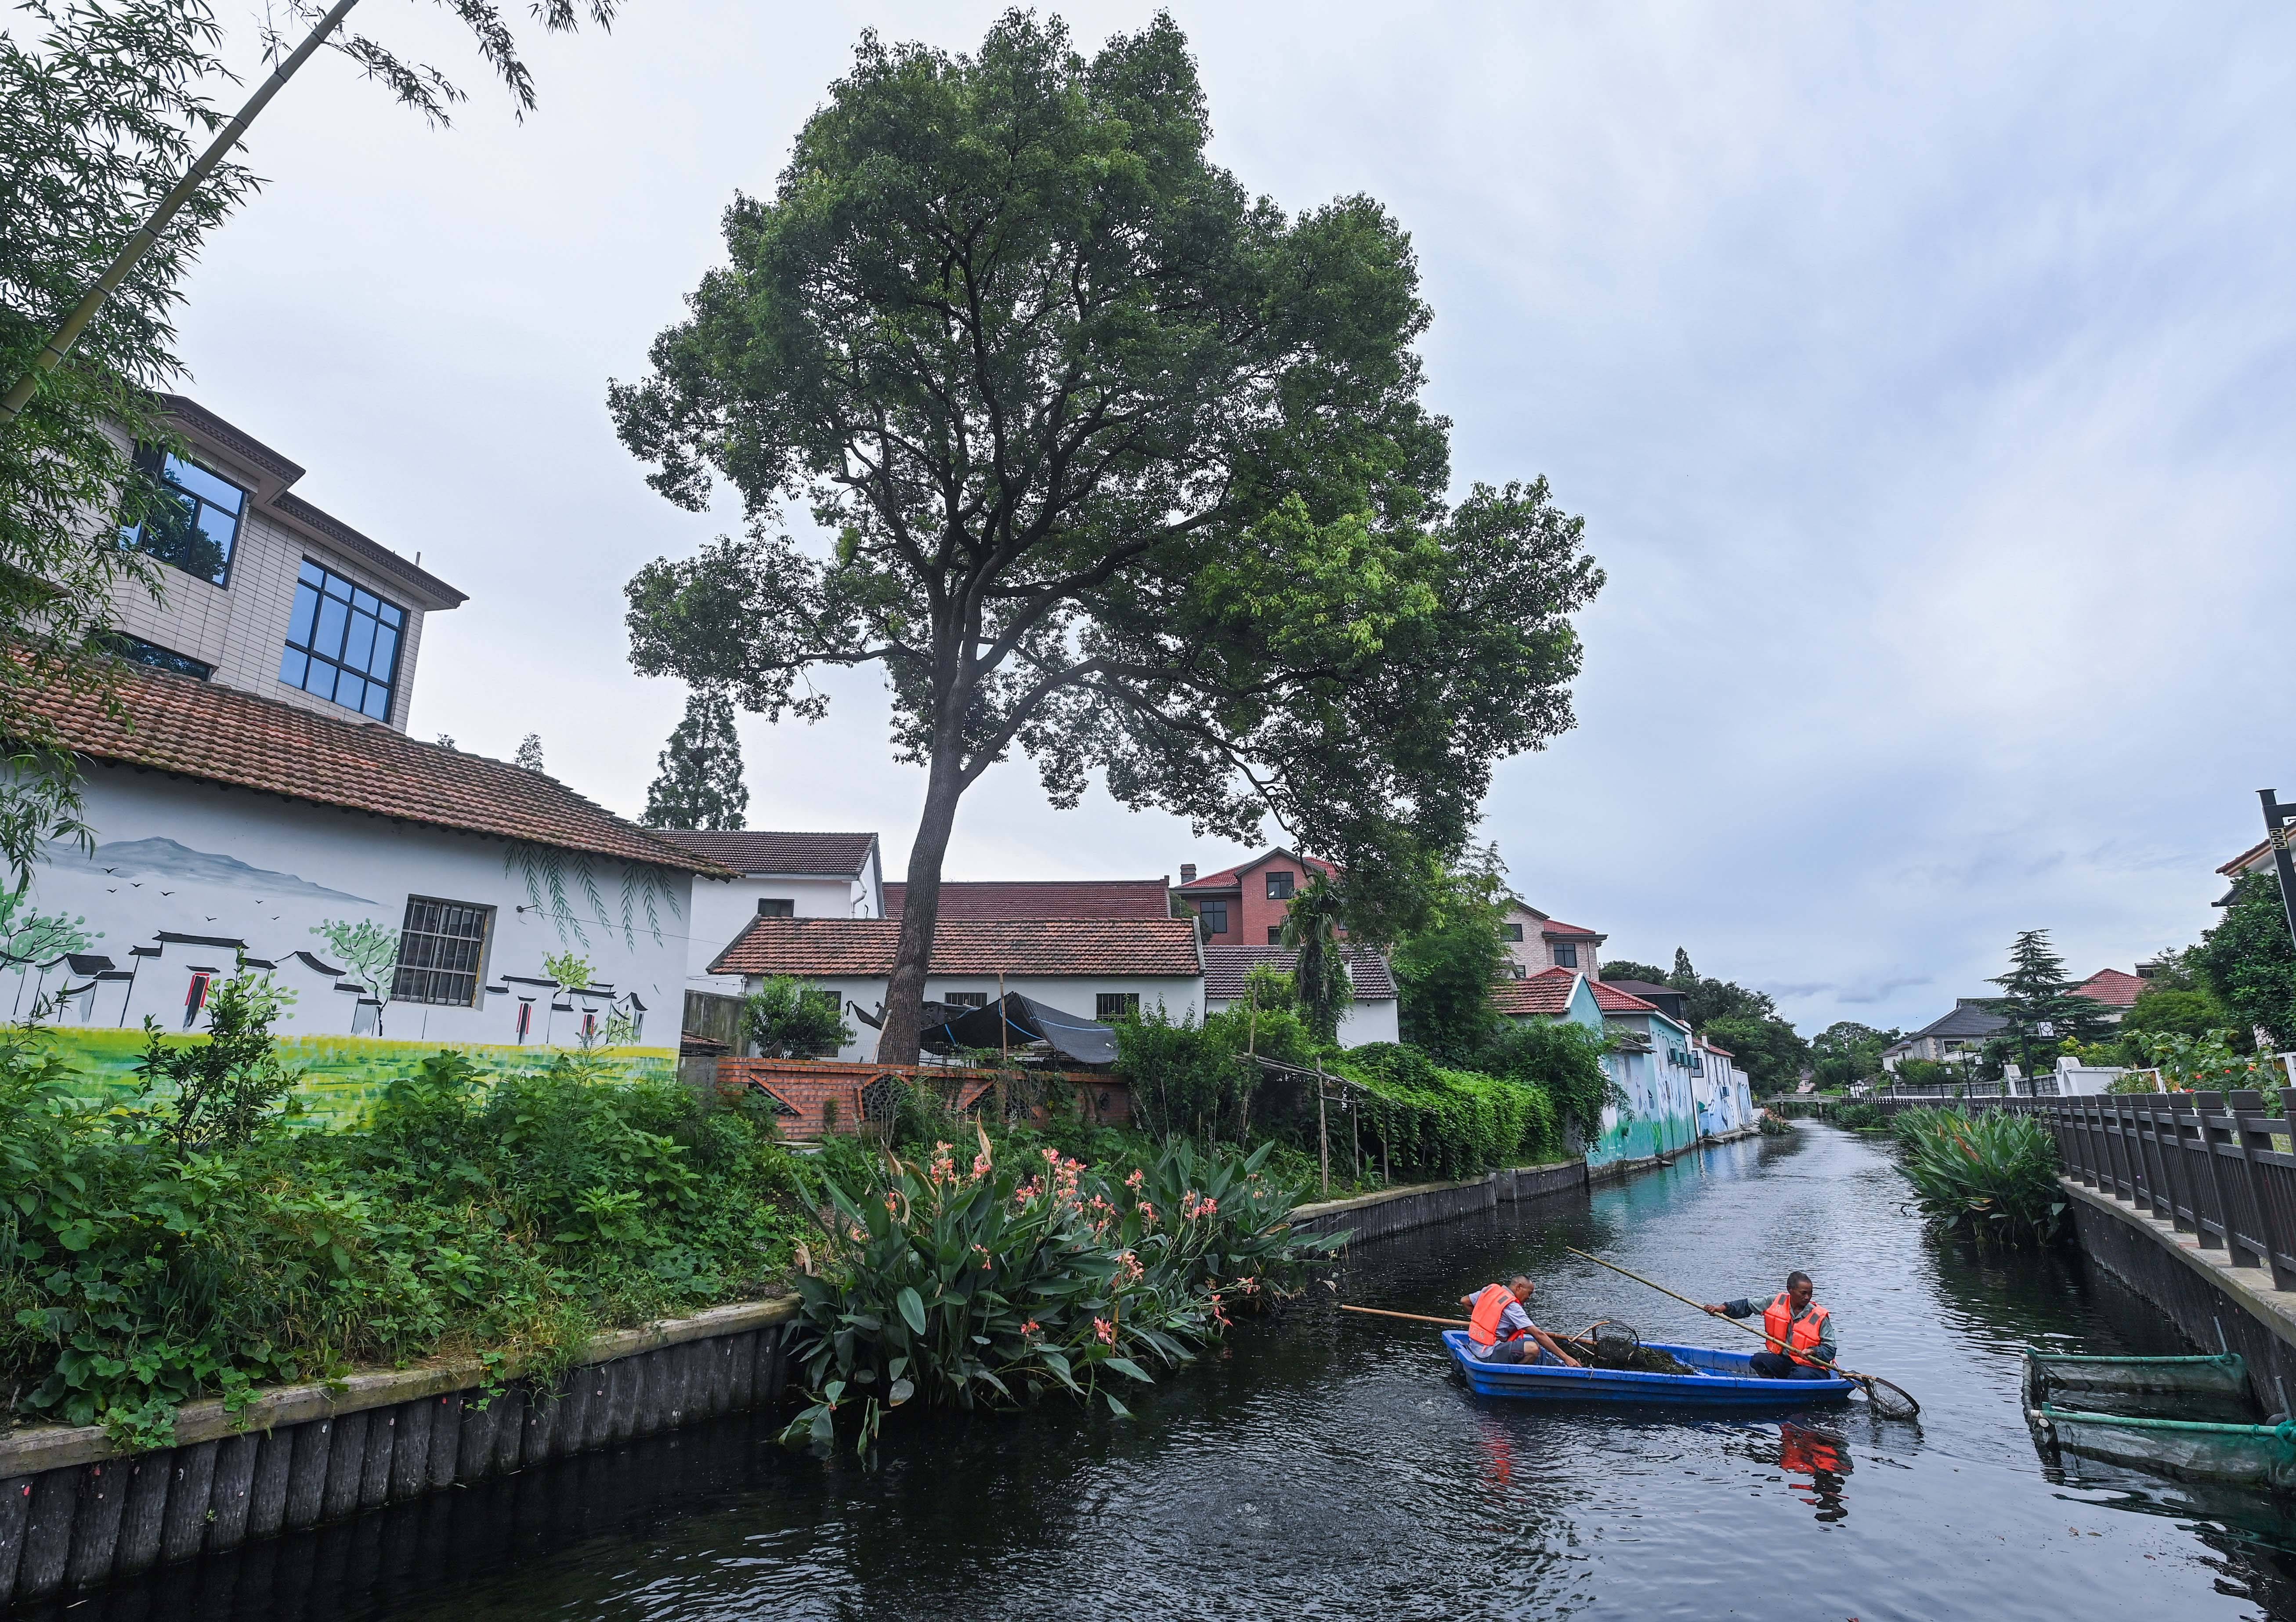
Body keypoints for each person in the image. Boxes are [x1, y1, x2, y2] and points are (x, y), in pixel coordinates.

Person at [1702, 1271, 1835, 1379]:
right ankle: (1774, 1387)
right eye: (1803, 1293)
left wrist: (1813, 1351)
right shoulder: (1776, 1302)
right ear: (1790, 1290)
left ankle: (1789, 1389)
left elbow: (1830, 1349)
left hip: (1812, 1368)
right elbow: (1747, 1305)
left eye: (1810, 1293)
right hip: (1786, 1361)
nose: (1807, 1297)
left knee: (1799, 1375)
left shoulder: (1819, 1316)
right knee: (1758, 1360)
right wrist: (1722, 1308)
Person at [1458, 1275, 1582, 1367]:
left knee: (1521, 1342)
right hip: (1487, 1354)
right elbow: (1538, 1334)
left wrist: (1482, 1319)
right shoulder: (1512, 1305)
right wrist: (1566, 1358)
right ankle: (1510, 1376)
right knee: (1533, 1349)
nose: (1529, 1298)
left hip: (1473, 1345)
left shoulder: (1491, 1290)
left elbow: (1465, 1301)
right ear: (1519, 1287)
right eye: (1529, 1293)